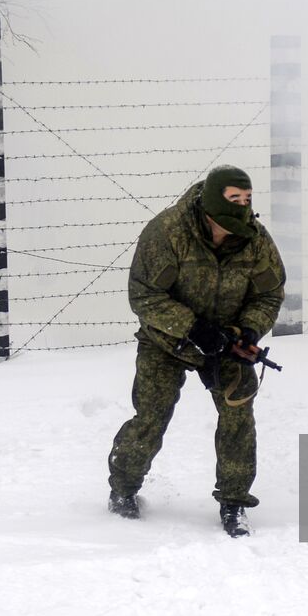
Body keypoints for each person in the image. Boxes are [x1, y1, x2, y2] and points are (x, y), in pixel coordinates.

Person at [107, 164, 286, 537]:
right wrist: (192, 328)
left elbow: (269, 293)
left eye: (246, 200)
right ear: (208, 209)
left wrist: (248, 330)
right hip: (166, 342)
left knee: (238, 420)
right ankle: (123, 490)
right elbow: (144, 295)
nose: (240, 211)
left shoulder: (255, 239)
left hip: (226, 344)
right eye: (231, 201)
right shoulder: (167, 233)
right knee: (150, 418)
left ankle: (234, 503)